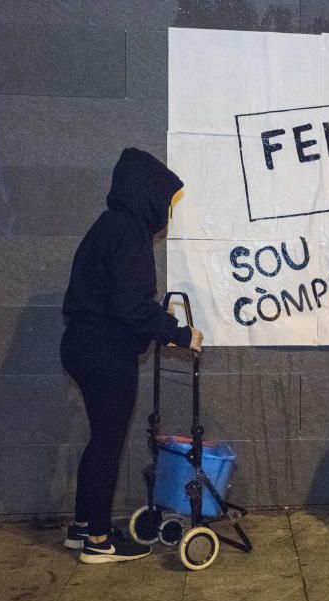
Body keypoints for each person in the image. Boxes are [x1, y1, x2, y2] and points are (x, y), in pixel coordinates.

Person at [61, 147, 203, 564]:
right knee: (107, 444)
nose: (166, 211)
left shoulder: (108, 226)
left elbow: (119, 298)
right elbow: (132, 308)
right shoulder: (128, 232)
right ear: (147, 194)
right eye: (165, 200)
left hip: (82, 344)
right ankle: (99, 542)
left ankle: (85, 526)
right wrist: (180, 334)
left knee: (99, 442)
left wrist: (156, 319)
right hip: (106, 350)